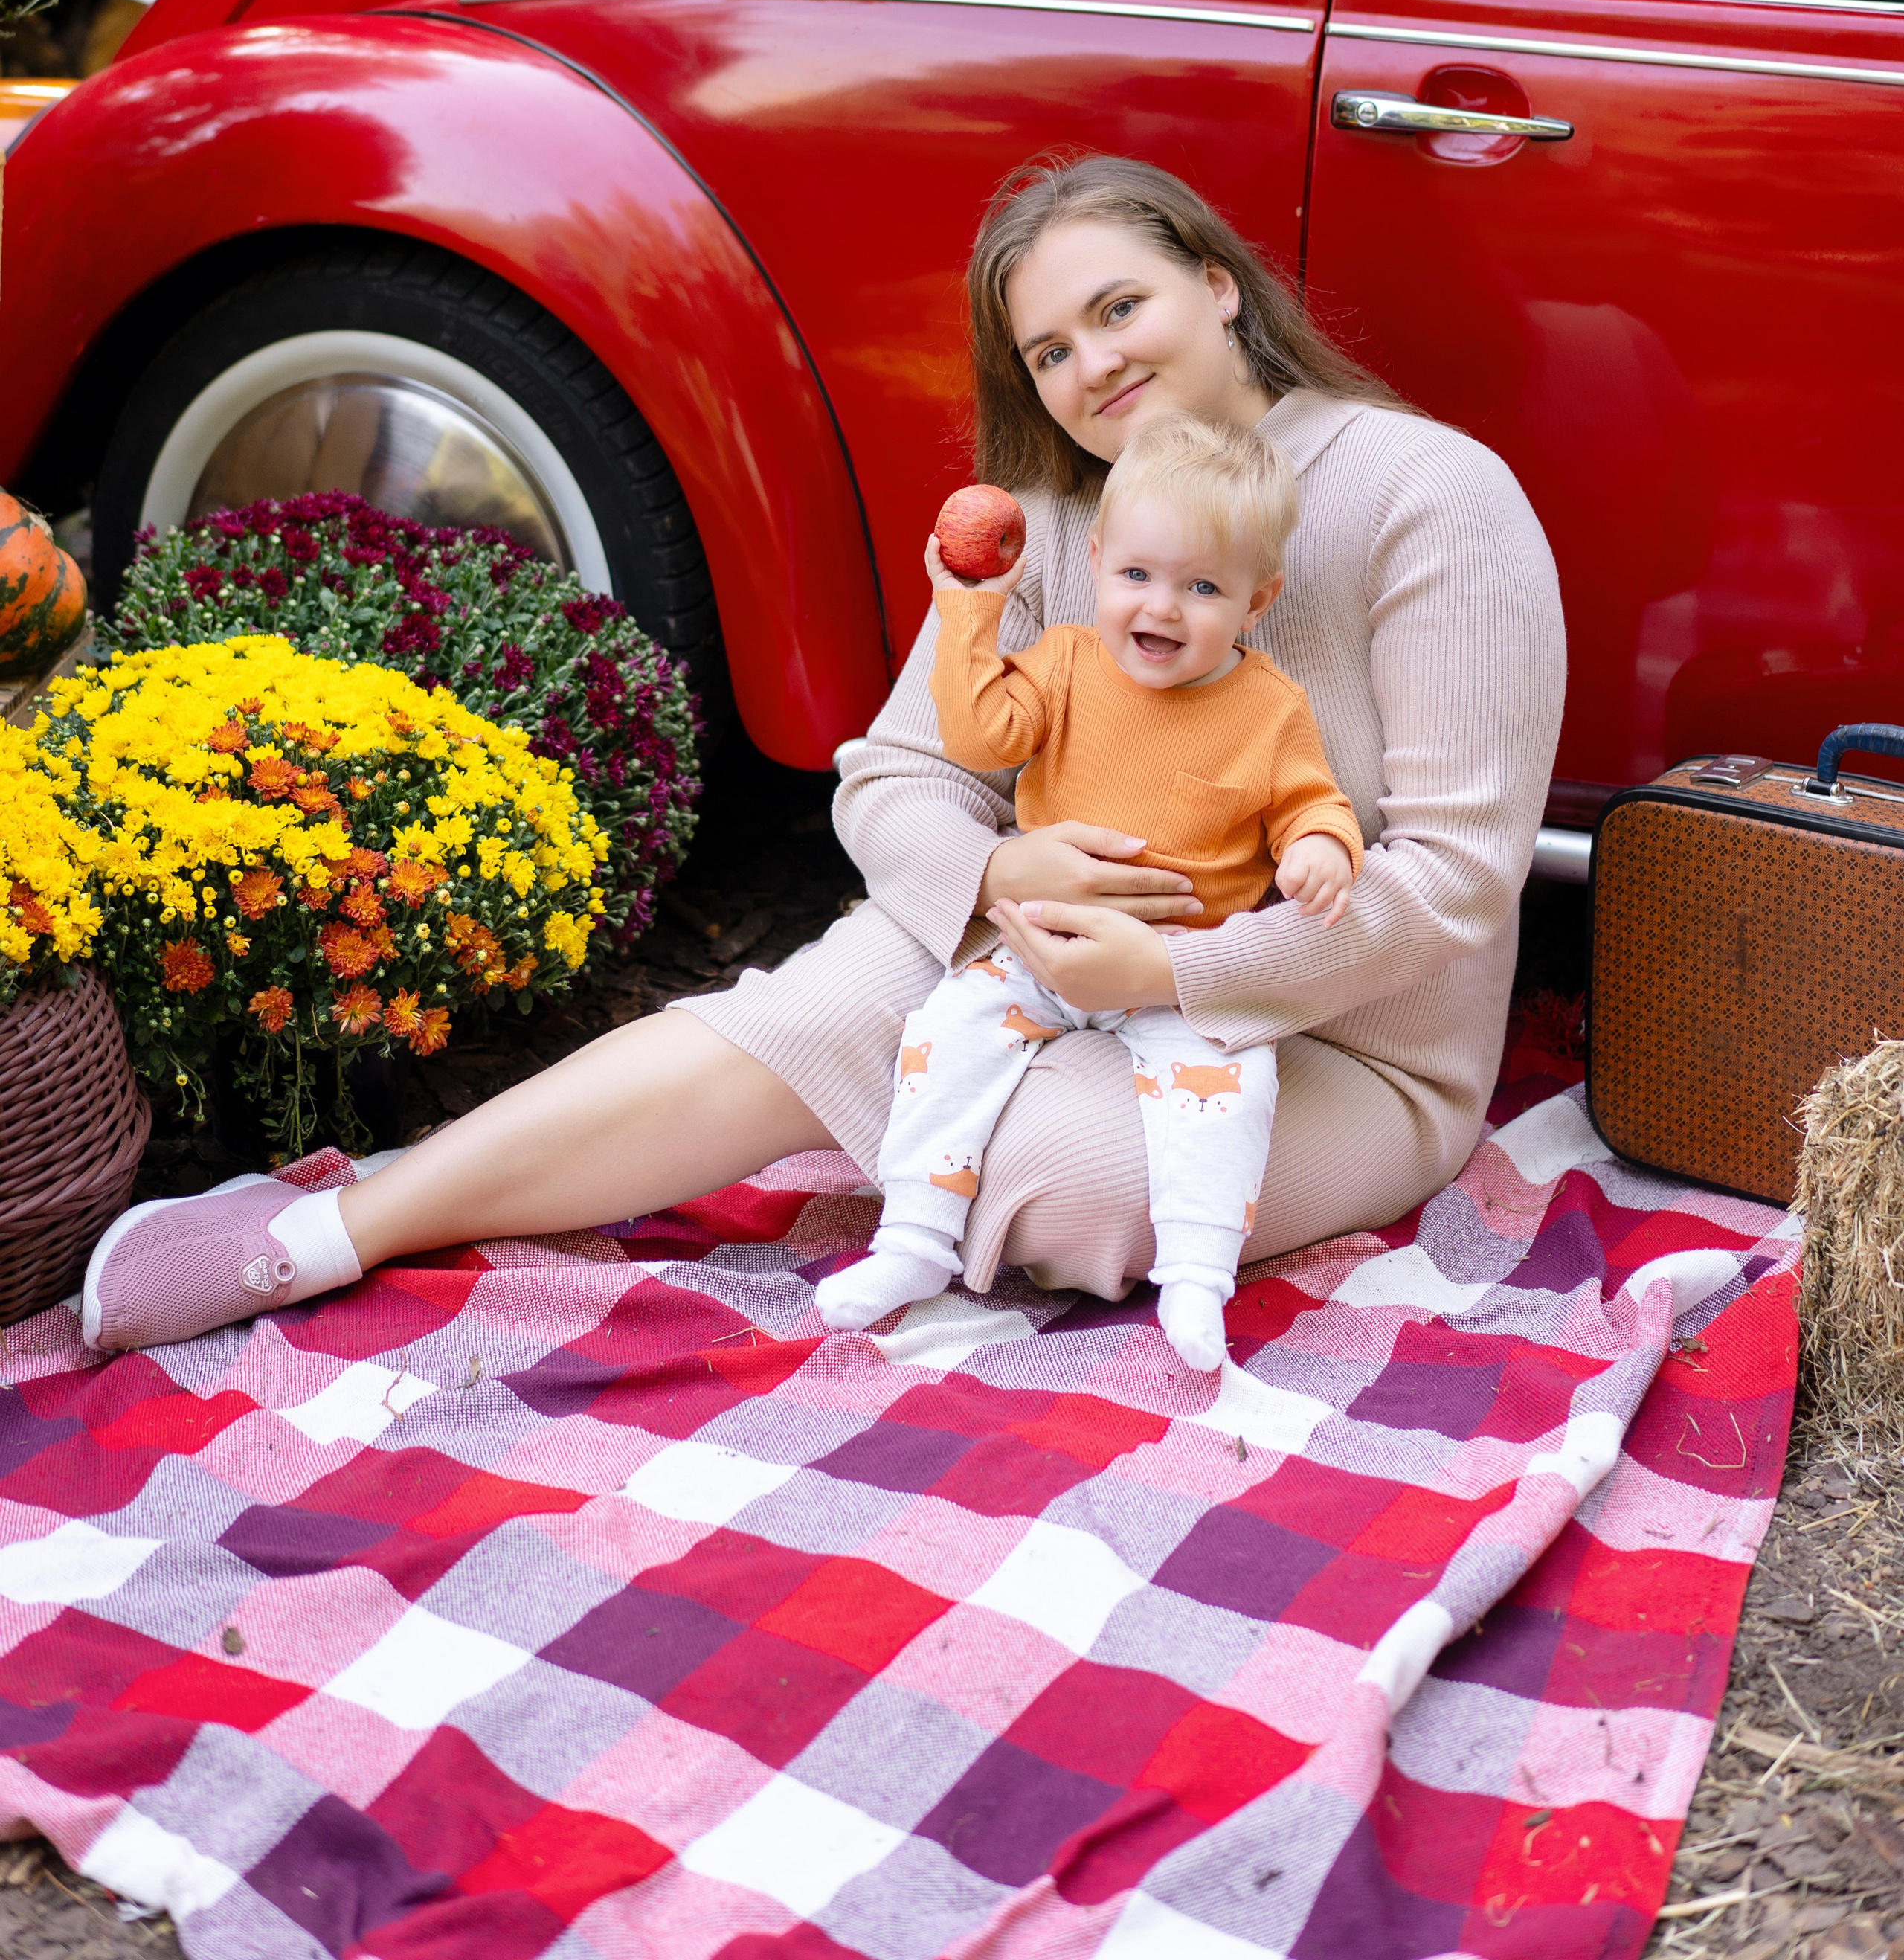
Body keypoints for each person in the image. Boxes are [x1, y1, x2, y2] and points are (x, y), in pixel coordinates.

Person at [82, 155, 1566, 1356]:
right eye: (1047, 350)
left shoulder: (1429, 496)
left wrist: (1172, 975)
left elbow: (1449, 882)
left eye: (1118, 309)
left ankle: (921, 1113)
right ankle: (337, 1227)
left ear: (1218, 286)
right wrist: (996, 865)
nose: (1089, 367)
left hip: (1333, 1043)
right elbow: (896, 774)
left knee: (1067, 1178)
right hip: (1036, 954)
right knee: (819, 1013)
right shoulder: (1059, 519)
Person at [816, 413, 1363, 1369]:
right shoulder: (1066, 663)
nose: (1161, 607)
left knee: (1231, 1090)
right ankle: (911, 1241)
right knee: (943, 1038)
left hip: (1174, 975)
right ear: (1099, 561)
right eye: (1138, 576)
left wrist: (1320, 847)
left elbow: (1310, 805)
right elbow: (984, 738)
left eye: (1202, 588)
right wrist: (970, 609)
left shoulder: (1269, 709)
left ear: (1257, 599)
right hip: (1043, 949)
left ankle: (1196, 1275)